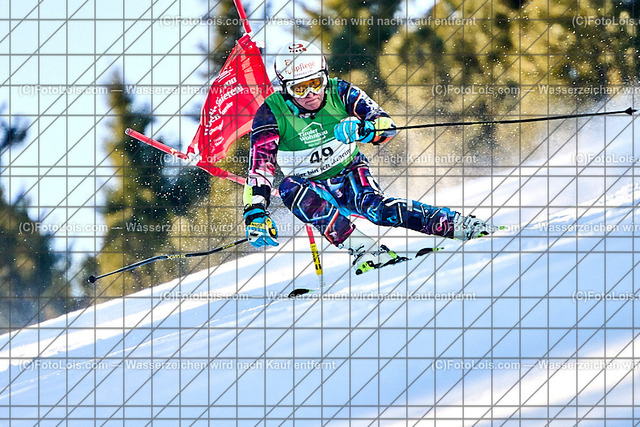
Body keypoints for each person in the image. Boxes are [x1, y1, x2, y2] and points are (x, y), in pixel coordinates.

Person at [243, 40, 493, 275]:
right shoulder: (270, 113)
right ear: (286, 89)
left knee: (377, 210)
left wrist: (366, 130)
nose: (310, 94)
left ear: (325, 76)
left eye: (316, 83)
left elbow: (387, 125)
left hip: (349, 171)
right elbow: (260, 168)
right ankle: (365, 250)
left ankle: (460, 225)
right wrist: (255, 212)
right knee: (288, 188)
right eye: (299, 88)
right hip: (311, 187)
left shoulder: (341, 91)